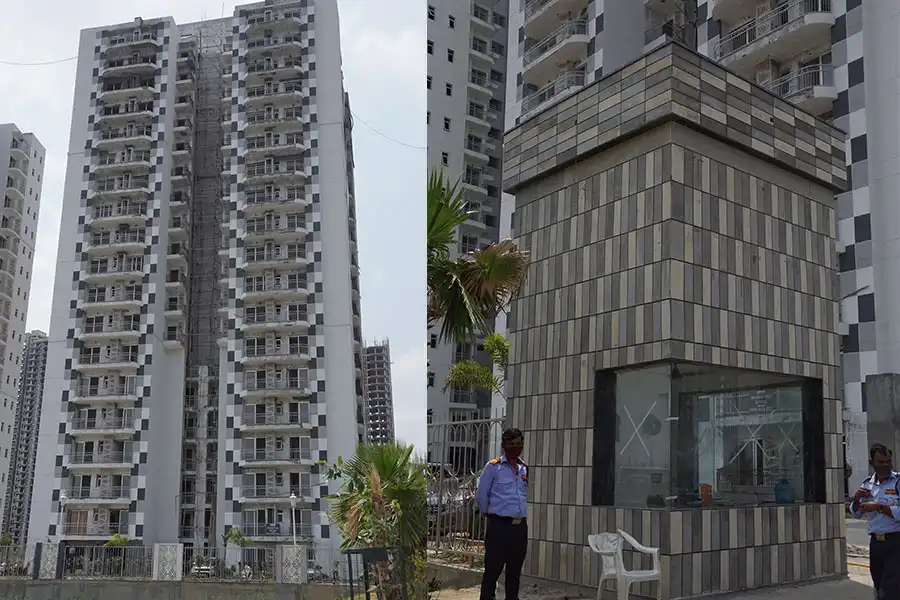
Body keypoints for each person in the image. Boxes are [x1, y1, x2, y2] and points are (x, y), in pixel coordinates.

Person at [476, 428, 528, 600]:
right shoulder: (493, 467)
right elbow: (482, 494)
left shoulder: (524, 468)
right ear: (503, 445)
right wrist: (490, 515)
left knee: (514, 573)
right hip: (499, 527)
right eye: (511, 444)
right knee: (492, 571)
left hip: (519, 528)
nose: (515, 447)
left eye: (518, 444)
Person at [849, 443, 900, 600]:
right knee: (878, 586)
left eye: (888, 461)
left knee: (890, 589)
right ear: (871, 462)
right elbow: (856, 514)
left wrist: (879, 507)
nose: (885, 465)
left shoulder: (897, 482)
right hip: (876, 543)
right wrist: (856, 500)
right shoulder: (867, 484)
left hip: (895, 542)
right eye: (881, 462)